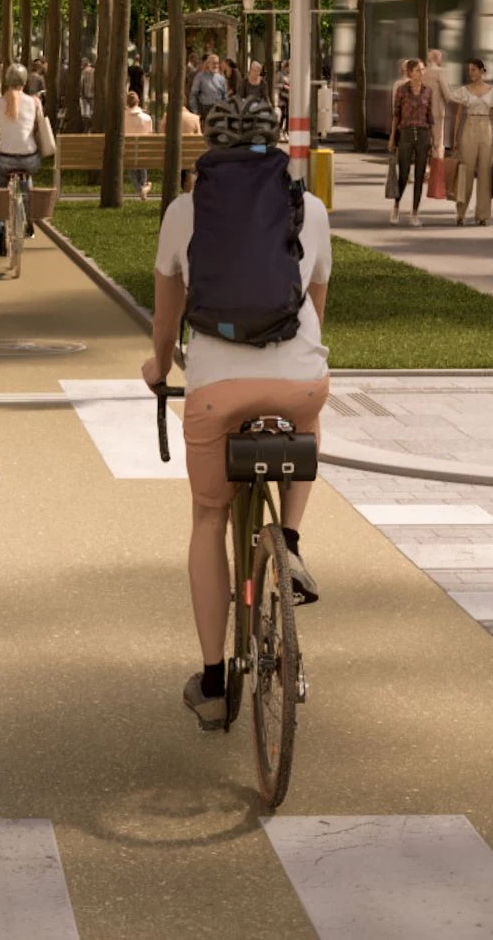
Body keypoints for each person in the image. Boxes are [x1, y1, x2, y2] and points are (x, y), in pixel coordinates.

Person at [145, 99, 333, 732]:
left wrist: (158, 366)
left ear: (210, 145)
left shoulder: (183, 212)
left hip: (216, 391)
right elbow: (315, 304)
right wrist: (293, 369)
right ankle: (293, 542)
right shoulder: (310, 210)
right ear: (277, 142)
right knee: (307, 423)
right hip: (299, 383)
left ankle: (215, 680)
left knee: (208, 516)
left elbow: (167, 320)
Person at [0, 67, 53, 257]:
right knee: (26, 177)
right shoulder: (35, 102)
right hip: (29, 158)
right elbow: (40, 125)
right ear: (25, 83)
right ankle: (29, 217)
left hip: (5, 158)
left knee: (0, 189)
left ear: (6, 82)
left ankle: (0, 226)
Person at [446, 57, 493, 227]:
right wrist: (455, 138)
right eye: (469, 70)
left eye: (474, 69)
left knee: (485, 173)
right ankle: (460, 214)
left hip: (487, 130)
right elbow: (459, 115)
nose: (471, 73)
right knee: (465, 172)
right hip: (469, 128)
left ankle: (482, 215)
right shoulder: (464, 91)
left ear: (482, 70)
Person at [383, 53, 439, 220]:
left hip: (423, 134)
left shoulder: (428, 91)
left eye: (422, 70)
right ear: (410, 72)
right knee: (404, 174)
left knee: (420, 174)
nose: (422, 73)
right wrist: (393, 138)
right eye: (418, 70)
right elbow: (396, 115)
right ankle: (396, 206)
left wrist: (434, 140)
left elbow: (430, 117)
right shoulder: (402, 90)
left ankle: (415, 212)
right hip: (406, 134)